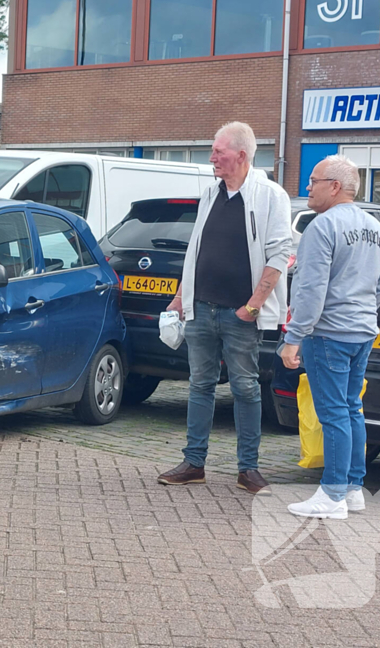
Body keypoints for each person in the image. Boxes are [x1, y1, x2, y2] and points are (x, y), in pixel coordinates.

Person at [159, 122, 292, 495]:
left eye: (219, 151)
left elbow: (281, 252)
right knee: (199, 384)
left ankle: (248, 468)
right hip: (200, 308)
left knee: (245, 388)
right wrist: (179, 299)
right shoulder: (210, 193)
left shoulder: (269, 195)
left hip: (239, 314)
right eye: (213, 150)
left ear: (242, 155)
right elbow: (196, 251)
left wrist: (252, 307)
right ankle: (193, 463)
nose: (212, 157)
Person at [281, 155, 380, 520]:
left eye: (313, 181)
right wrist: (363, 315)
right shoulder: (376, 229)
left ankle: (331, 494)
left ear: (335, 186)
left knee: (333, 414)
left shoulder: (322, 227)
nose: (307, 187)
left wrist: (294, 337)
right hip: (362, 331)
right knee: (351, 408)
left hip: (328, 333)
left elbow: (310, 289)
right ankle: (353, 488)